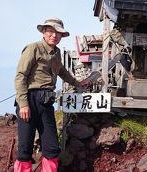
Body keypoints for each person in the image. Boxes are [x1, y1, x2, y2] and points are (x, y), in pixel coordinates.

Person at [14, 17, 91, 172]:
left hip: (46, 102)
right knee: (25, 148)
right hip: (29, 100)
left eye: (58, 33)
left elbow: (62, 71)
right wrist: (23, 104)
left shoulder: (56, 53)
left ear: (62, 36)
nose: (54, 35)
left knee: (51, 147)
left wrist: (78, 83)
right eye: (50, 31)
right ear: (44, 32)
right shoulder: (33, 48)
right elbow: (20, 76)